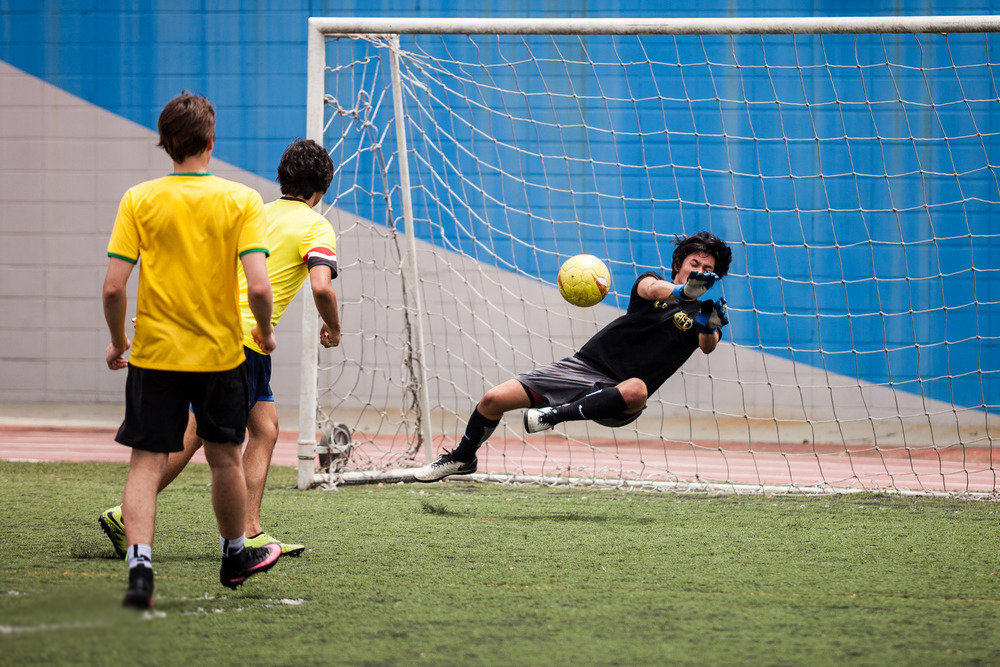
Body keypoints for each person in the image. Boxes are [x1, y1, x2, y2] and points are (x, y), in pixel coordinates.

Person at [100, 139, 342, 562]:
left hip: (213, 328)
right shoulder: (316, 225)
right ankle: (128, 513)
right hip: (244, 339)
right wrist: (333, 327)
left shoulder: (256, 211)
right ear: (321, 189)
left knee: (264, 427)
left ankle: (250, 531)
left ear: (281, 179)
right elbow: (322, 286)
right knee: (197, 432)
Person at [102, 91, 281, 610]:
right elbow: (261, 288)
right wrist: (265, 333)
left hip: (155, 354)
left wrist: (118, 342)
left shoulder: (138, 199)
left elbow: (114, 288)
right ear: (210, 140)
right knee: (224, 457)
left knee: (145, 462)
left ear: (166, 145)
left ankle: (140, 570)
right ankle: (232, 555)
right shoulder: (242, 199)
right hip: (221, 355)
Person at [414, 231, 733, 482]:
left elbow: (708, 345)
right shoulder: (653, 285)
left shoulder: (706, 313)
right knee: (492, 399)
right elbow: (652, 289)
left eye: (709, 270)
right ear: (679, 265)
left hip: (618, 396)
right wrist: (682, 293)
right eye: (696, 264)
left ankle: (553, 416)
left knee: (638, 388)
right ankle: (463, 458)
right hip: (582, 367)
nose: (701, 272)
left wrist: (708, 326)